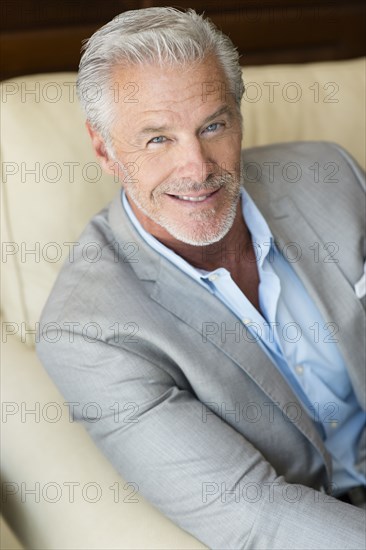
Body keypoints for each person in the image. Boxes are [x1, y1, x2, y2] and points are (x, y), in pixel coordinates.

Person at [37, 7, 366, 549]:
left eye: (212, 125)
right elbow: (255, 514)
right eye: (157, 139)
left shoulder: (328, 175)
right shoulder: (87, 330)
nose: (196, 168)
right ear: (105, 150)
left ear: (238, 117)